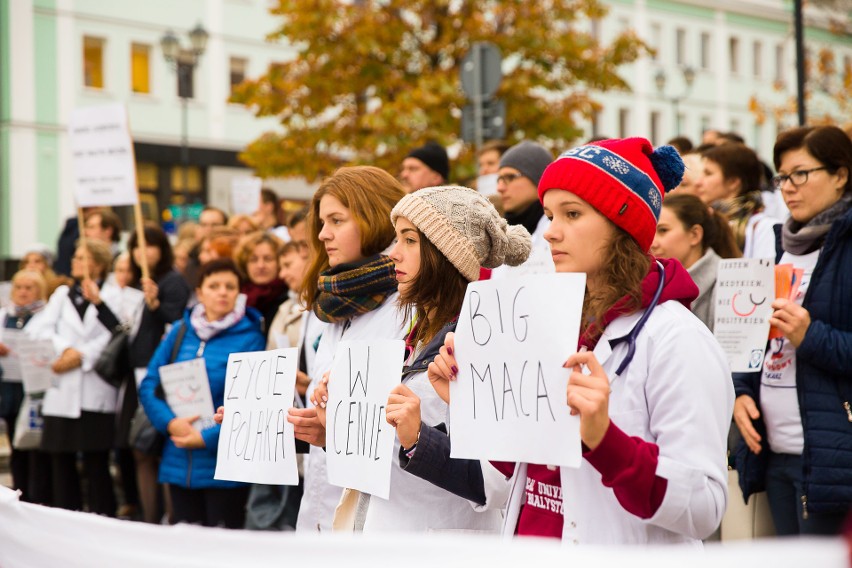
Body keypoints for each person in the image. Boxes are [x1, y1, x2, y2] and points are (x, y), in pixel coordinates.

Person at [423, 138, 734, 544]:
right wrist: (472, 404)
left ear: (622, 224)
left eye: (572, 214)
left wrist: (606, 440)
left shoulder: (679, 340)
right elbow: (515, 477)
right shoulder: (553, 324)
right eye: (550, 215)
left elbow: (705, 509)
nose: (550, 233)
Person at [310, 185, 531, 532]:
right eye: (396, 239)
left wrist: (419, 439)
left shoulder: (483, 341)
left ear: (445, 254)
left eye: (409, 240)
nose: (394, 253)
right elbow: (392, 444)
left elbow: (494, 485)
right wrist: (336, 426)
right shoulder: (412, 334)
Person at [733, 125, 852, 536]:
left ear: (841, 174)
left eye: (801, 174)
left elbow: (815, 338)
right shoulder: (781, 243)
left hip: (830, 458)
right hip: (774, 452)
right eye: (782, 177)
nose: (788, 188)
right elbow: (750, 337)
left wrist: (810, 336)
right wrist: (741, 391)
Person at [286, 165, 408, 532]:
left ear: (372, 218)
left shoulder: (409, 306)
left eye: (337, 220)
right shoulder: (331, 304)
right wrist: (277, 420)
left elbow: (410, 418)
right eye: (322, 222)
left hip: (382, 513)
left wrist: (335, 431)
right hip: (324, 505)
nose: (323, 234)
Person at [138, 258, 264, 528]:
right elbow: (150, 383)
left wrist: (205, 438)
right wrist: (170, 423)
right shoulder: (180, 332)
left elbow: (252, 404)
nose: (222, 292)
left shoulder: (251, 338)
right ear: (200, 291)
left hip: (225, 470)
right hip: (178, 459)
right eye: (214, 285)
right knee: (184, 549)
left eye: (230, 286)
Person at [25, 239, 123, 516]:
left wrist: (81, 355)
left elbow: (116, 334)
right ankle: (66, 516)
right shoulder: (62, 295)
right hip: (62, 387)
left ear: (99, 264)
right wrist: (64, 349)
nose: (75, 260)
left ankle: (103, 517)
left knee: (96, 462)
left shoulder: (113, 295)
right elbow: (38, 329)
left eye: (83, 257)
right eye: (76, 255)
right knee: (61, 460)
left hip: (95, 387)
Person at [124, 226, 191, 524]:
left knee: (158, 445)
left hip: (162, 374)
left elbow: (177, 325)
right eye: (137, 247)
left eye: (149, 246)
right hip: (138, 372)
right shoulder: (137, 282)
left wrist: (156, 304)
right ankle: (149, 516)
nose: (143, 253)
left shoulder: (172, 280)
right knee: (141, 448)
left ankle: (169, 517)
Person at [651, 193, 741, 331]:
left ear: (695, 235)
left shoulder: (732, 284)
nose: (652, 243)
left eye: (663, 230)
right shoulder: (653, 283)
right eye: (651, 232)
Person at [0, 270, 52, 505]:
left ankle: (38, 498)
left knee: (36, 447)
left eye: (29, 287)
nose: (23, 292)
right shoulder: (4, 316)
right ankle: (19, 495)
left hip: (34, 390)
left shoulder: (46, 317)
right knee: (16, 444)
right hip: (9, 387)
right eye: (19, 286)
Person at [695, 143, 778, 259]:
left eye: (708, 174)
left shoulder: (764, 228)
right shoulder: (705, 222)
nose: (698, 182)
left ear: (733, 182)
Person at [492, 141, 555, 277]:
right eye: (499, 179)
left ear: (539, 179)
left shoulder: (558, 231)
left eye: (510, 177)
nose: (500, 188)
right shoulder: (499, 236)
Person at [234, 231, 287, 333]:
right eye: (253, 260)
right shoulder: (237, 298)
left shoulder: (289, 297)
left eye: (268, 259)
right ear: (244, 264)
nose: (261, 265)